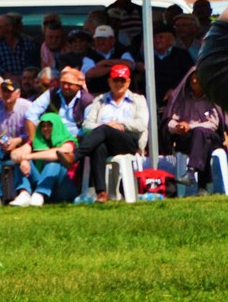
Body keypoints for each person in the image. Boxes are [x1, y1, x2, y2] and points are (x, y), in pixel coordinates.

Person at [67, 62, 147, 202]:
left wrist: (120, 125)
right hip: (105, 141)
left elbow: (141, 124)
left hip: (128, 141)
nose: (119, 83)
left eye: (122, 80)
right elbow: (86, 125)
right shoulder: (100, 101)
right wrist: (107, 127)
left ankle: (75, 156)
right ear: (109, 81)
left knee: (104, 129)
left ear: (128, 82)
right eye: (116, 80)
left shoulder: (138, 100)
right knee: (99, 146)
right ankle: (102, 193)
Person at [164, 68, 225, 193]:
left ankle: (191, 172)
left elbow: (213, 124)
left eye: (197, 78)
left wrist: (190, 126)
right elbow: (170, 121)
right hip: (188, 139)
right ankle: (203, 187)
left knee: (201, 134)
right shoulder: (183, 99)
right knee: (202, 142)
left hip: (211, 136)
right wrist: (177, 127)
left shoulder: (211, 98)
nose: (194, 81)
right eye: (192, 79)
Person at [11, 111, 79, 205]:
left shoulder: (69, 141)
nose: (45, 128)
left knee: (54, 161)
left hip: (64, 186)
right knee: (20, 161)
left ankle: (40, 193)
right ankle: (24, 193)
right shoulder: (36, 142)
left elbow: (59, 153)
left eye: (49, 125)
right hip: (41, 182)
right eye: (43, 126)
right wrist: (23, 160)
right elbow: (14, 154)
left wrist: (28, 156)